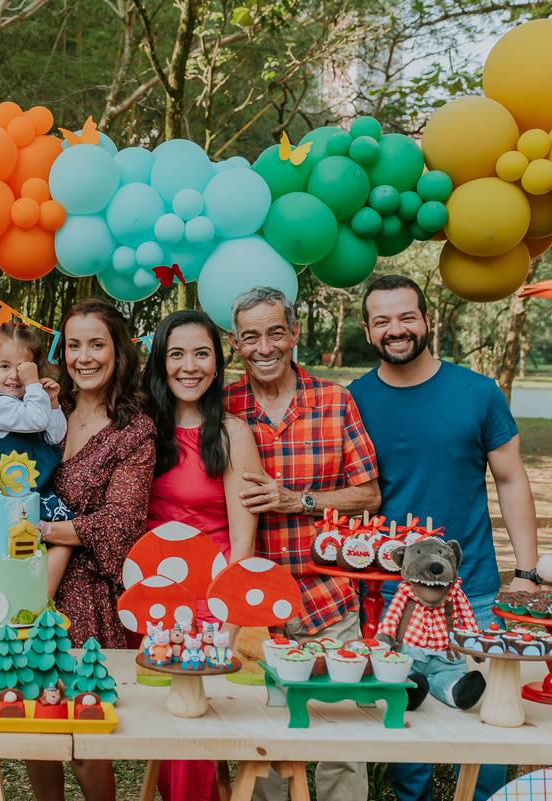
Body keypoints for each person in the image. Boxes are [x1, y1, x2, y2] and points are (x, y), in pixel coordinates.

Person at [349, 275, 540, 801]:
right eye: (382, 320)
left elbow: (511, 479)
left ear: (426, 319)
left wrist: (525, 573)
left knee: (485, 721)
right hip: (390, 595)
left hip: (473, 589)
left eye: (406, 316)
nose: (396, 329)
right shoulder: (351, 401)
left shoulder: (477, 392)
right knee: (406, 721)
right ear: (367, 330)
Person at [222, 286, 381, 801]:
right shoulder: (223, 407)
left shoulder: (335, 400)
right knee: (261, 743)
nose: (264, 347)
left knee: (343, 740)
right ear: (235, 343)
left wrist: (300, 501)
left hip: (328, 600)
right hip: (252, 607)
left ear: (293, 334)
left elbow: (368, 494)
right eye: (250, 336)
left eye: (274, 332)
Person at [27, 298, 156, 801]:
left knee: (82, 733)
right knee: (36, 723)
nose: (84, 356)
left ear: (118, 352)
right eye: (74, 344)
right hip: (30, 586)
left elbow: (121, 524)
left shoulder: (134, 429)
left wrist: (35, 528)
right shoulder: (45, 414)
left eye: (97, 344)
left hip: (86, 596)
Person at [141, 310, 263, 801]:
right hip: (147, 600)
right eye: (176, 354)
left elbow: (244, 543)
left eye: (201, 353)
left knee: (191, 742)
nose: (188, 366)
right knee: (158, 729)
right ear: (160, 362)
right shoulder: (141, 429)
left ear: (217, 363)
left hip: (206, 608)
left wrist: (226, 624)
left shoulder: (232, 435)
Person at [0, 323, 72, 598]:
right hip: (15, 496)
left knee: (62, 536)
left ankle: (36, 594)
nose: (14, 376)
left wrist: (52, 402)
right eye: (4, 366)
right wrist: (34, 386)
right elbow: (37, 420)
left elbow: (54, 436)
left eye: (23, 368)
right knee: (54, 537)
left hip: (39, 490)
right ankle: (35, 596)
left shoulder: (32, 403)